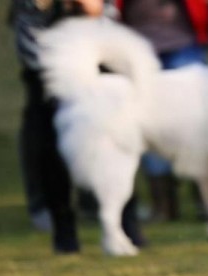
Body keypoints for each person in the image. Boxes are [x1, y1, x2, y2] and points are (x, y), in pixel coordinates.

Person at [8, 0, 130, 253]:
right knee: (49, 152)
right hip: (47, 80)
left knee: (115, 146)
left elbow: (110, 21)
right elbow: (32, 49)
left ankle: (126, 226)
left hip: (97, 74)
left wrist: (91, 9)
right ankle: (64, 231)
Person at [117, 0, 208, 222]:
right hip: (137, 53)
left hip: (184, 46)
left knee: (196, 126)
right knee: (149, 126)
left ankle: (205, 202)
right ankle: (164, 205)